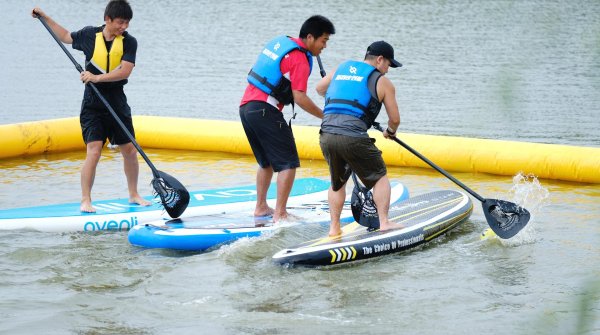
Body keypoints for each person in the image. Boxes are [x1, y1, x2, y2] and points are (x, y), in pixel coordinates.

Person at [32, 0, 151, 213]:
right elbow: (66, 36)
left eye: (127, 23)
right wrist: (44, 16)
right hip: (93, 105)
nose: (124, 27)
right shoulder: (89, 35)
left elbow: (124, 71)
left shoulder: (129, 42)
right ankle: (86, 200)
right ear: (108, 19)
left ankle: (133, 194)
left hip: (117, 102)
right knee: (94, 150)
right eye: (121, 22)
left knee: (130, 151)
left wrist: (96, 78)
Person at [240, 15, 335, 222]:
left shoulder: (283, 42)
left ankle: (261, 207)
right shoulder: (300, 59)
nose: (325, 46)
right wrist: (324, 116)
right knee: (288, 163)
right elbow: (299, 97)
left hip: (247, 108)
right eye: (324, 41)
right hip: (265, 110)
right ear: (310, 37)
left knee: (266, 163)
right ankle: (280, 214)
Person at [316, 41, 404, 236]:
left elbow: (320, 89)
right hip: (353, 136)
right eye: (389, 65)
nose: (387, 71)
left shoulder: (342, 67)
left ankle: (334, 228)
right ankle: (384, 222)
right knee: (379, 177)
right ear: (380, 60)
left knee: (337, 182)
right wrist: (390, 131)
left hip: (327, 134)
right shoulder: (382, 82)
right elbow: (395, 119)